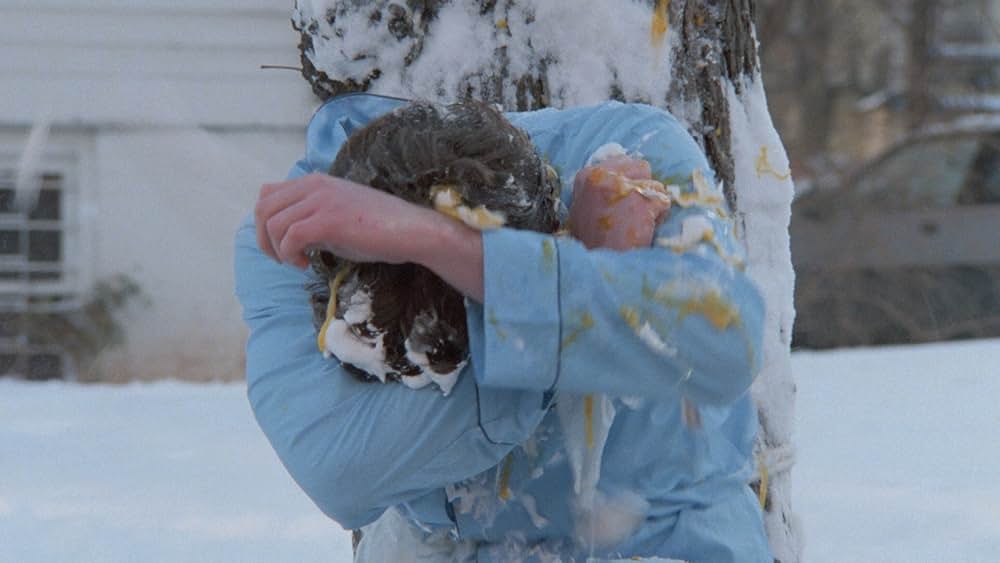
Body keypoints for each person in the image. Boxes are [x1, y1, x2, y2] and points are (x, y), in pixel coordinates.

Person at [235, 93, 771, 562]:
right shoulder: (293, 238)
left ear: (549, 225)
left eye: (464, 352)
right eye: (410, 379)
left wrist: (464, 254)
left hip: (667, 540)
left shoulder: (634, 152)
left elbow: (725, 349)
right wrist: (571, 290)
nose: (440, 384)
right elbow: (340, 473)